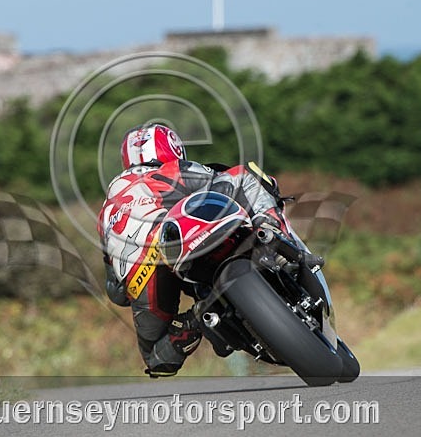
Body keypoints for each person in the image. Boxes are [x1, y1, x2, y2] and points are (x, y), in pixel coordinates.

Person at [97, 123, 294, 377]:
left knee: (157, 359)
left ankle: (195, 320)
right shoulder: (169, 171)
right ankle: (272, 234)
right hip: (173, 239)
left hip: (141, 275)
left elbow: (116, 294)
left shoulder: (105, 213)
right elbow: (224, 179)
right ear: (172, 147)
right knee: (244, 176)